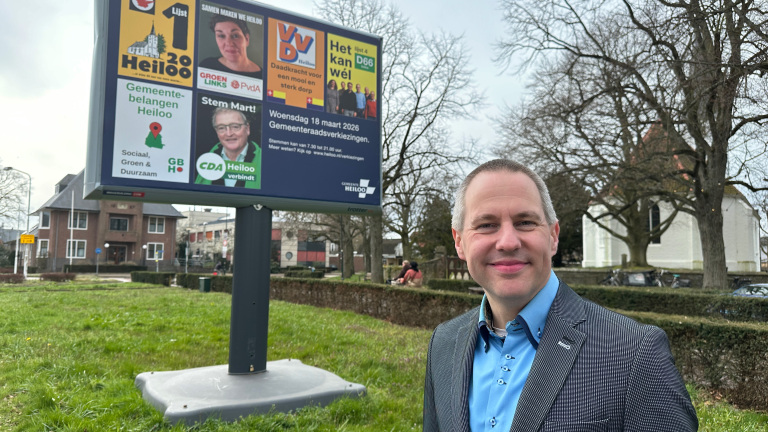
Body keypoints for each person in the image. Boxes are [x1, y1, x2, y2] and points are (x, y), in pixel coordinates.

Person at [423, 159, 697, 431]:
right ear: (459, 242)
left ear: (553, 236)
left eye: (525, 222)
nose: (508, 241)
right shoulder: (444, 344)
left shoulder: (635, 352)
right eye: (486, 225)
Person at [195, 107, 261, 188]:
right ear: (216, 132)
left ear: (247, 129)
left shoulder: (264, 160)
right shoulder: (207, 161)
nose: (229, 133)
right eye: (221, 128)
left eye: (235, 126)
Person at [200, 13, 262, 79]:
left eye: (235, 36)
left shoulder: (263, 76)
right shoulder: (206, 66)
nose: (229, 43)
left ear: (246, 39)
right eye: (221, 36)